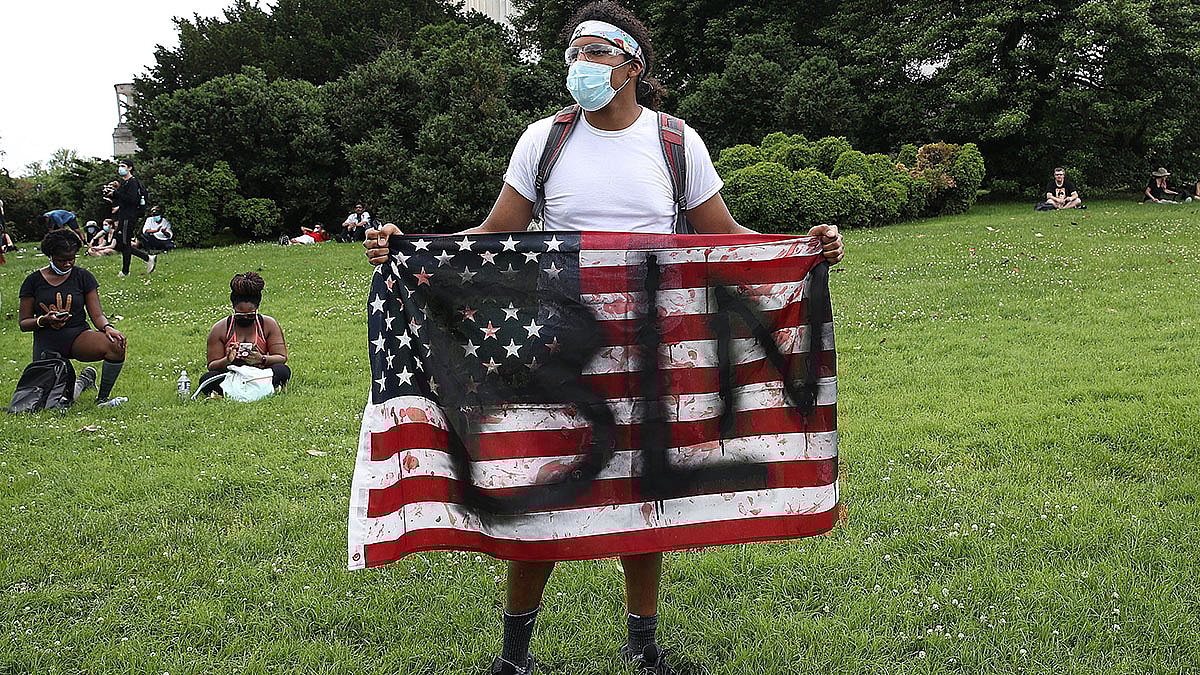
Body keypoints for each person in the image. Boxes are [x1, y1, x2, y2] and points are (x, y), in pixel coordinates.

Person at [365, 4, 844, 674]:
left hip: (654, 346)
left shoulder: (675, 142)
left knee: (645, 493)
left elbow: (726, 237)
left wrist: (806, 247)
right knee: (541, 489)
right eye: (572, 53)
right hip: (560, 346)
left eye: (594, 52)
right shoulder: (544, 141)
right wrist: (407, 247)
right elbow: (494, 234)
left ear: (631, 65)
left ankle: (643, 645)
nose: (579, 65)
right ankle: (515, 655)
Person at [17, 229, 129, 406]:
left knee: (116, 344)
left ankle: (102, 398)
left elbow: (97, 314)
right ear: (51, 256)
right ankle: (83, 381)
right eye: (62, 260)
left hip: (78, 336)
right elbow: (24, 323)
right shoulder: (33, 281)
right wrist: (43, 320)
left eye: (72, 259)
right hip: (47, 345)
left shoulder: (83, 277)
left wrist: (108, 327)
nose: (68, 264)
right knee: (57, 400)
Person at [197, 272, 290, 397]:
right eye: (240, 315)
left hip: (261, 374)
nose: (245, 318)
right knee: (207, 379)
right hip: (232, 375)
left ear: (257, 309)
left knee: (283, 371)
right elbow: (212, 366)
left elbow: (281, 357)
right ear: (233, 309)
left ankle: (235, 392)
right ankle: (262, 390)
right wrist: (228, 360)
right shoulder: (220, 328)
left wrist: (261, 359)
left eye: (251, 315)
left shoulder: (268, 324)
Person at [110, 159, 156, 276]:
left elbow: (131, 199)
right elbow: (121, 198)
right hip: (123, 215)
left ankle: (126, 270)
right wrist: (111, 194)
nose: (120, 168)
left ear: (129, 168)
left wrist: (116, 194)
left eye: (123, 166)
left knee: (125, 243)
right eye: (119, 166)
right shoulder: (124, 182)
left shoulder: (132, 182)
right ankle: (146, 258)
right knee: (120, 242)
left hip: (129, 216)